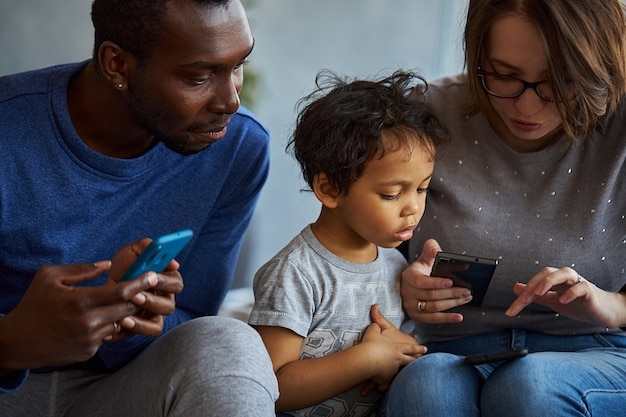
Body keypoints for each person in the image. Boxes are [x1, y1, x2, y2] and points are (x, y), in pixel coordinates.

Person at [0, 0, 278, 415]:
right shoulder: (9, 132)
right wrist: (12, 341)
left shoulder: (236, 148)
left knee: (227, 341)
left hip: (116, 390)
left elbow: (193, 317)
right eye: (199, 78)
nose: (230, 101)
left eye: (238, 66)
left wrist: (131, 320)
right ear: (117, 64)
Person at [378, 1, 626, 416]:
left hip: (597, 348)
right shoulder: (423, 116)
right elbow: (354, 244)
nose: (527, 108)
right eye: (504, 76)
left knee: (530, 388)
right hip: (454, 346)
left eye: (560, 82)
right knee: (424, 388)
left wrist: (611, 306)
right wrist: (398, 283)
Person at [248, 70, 449, 416]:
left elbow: (397, 355)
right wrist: (368, 358)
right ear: (329, 189)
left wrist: (403, 352)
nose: (413, 208)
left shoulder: (395, 267)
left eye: (422, 188)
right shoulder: (295, 274)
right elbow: (271, 388)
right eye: (390, 194)